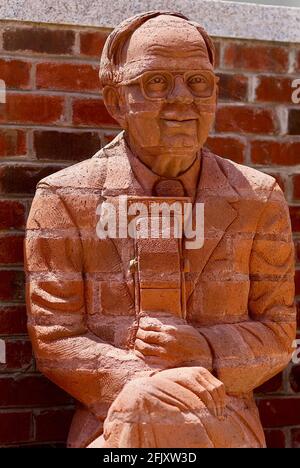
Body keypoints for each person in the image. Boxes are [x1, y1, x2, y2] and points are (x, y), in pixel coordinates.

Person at [25, 11, 296, 448]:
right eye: (156, 82)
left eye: (198, 82)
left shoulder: (257, 198)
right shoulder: (64, 197)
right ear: (116, 101)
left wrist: (204, 350)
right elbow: (56, 337)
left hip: (223, 420)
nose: (181, 99)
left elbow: (278, 331)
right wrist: (141, 382)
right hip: (115, 421)